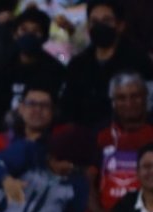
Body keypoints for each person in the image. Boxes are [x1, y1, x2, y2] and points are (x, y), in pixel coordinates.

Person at [62, 0, 153, 131]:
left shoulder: (138, 61)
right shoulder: (78, 65)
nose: (100, 26)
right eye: (94, 22)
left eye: (106, 21)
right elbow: (68, 108)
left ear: (120, 25)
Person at [86, 72, 153, 212]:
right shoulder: (101, 134)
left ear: (146, 98)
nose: (129, 103)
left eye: (135, 96)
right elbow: (88, 179)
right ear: (113, 103)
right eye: (121, 98)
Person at [0, 7, 66, 128]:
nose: (29, 35)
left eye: (36, 31)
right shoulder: (2, 68)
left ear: (44, 37)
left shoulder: (55, 70)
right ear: (15, 34)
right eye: (24, 30)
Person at [0, 83, 56, 158]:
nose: (38, 109)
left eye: (45, 105)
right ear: (21, 109)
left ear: (53, 111)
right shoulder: (2, 140)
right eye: (32, 104)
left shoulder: (60, 143)